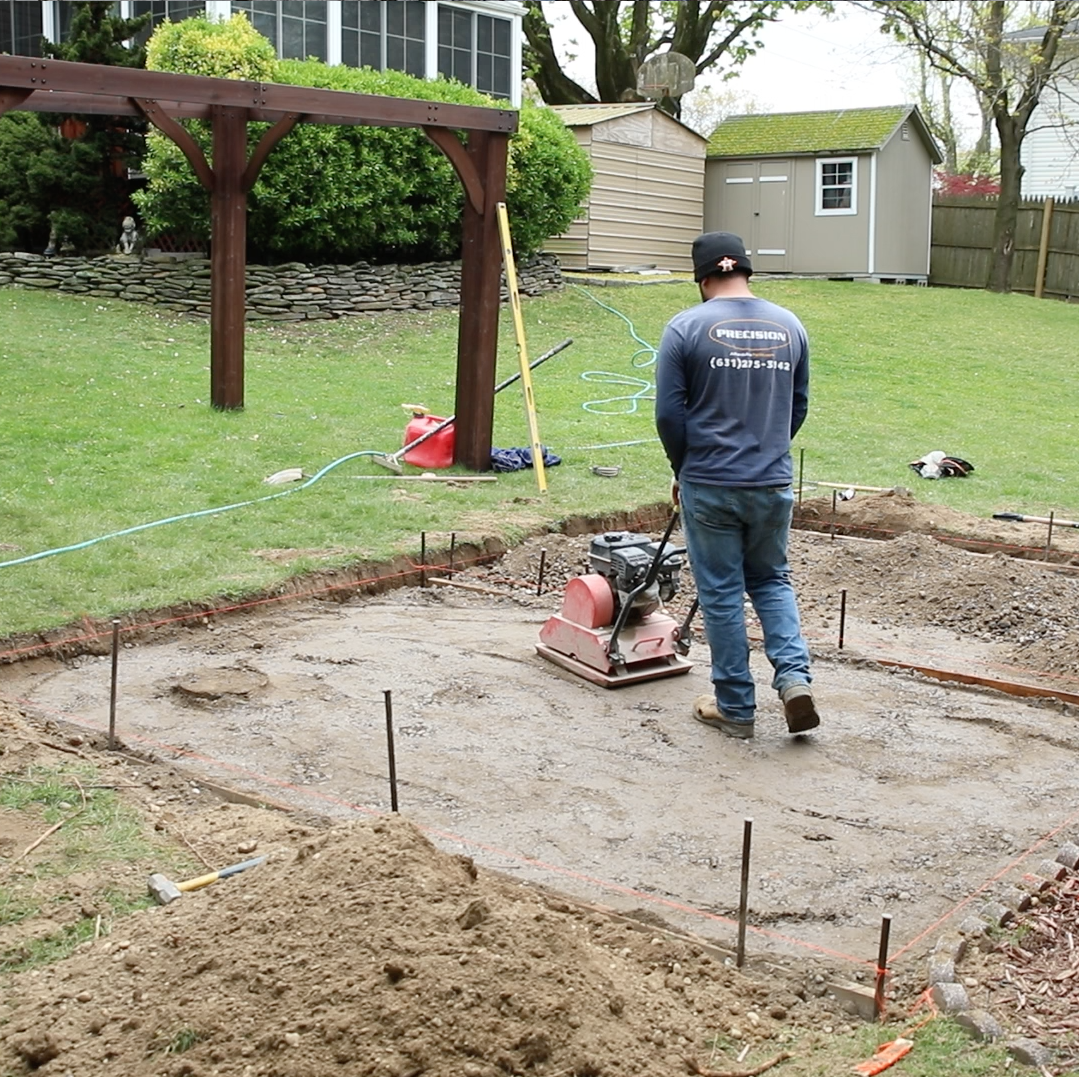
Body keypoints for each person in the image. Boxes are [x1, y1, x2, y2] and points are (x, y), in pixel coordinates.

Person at [655, 231, 818, 739]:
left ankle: (735, 707)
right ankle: (794, 679)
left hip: (710, 481)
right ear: (746, 270)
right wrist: (767, 449)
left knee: (722, 590)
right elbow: (799, 405)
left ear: (702, 278)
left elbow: (668, 414)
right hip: (771, 482)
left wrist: (683, 468)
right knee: (771, 580)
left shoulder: (685, 328)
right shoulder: (791, 326)